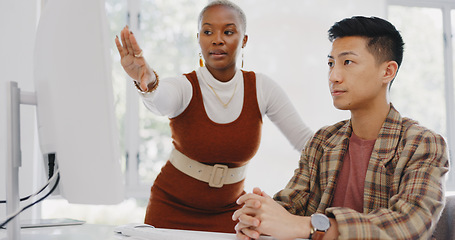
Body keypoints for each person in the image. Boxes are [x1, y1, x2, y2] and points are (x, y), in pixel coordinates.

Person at [233, 16, 449, 240]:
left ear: (387, 72)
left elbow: (409, 225)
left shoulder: (423, 143)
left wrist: (310, 227)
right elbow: (290, 208)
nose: (333, 76)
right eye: (330, 63)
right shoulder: (323, 140)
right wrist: (258, 217)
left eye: (347, 62)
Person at [114, 0, 313, 233]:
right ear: (198, 38)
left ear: (244, 40)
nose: (217, 39)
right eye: (208, 32)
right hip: (170, 209)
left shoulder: (262, 88)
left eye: (228, 31)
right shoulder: (185, 86)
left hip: (229, 213)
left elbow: (308, 144)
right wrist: (147, 80)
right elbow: (160, 100)